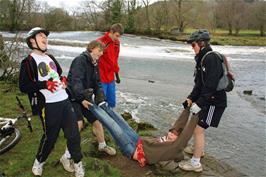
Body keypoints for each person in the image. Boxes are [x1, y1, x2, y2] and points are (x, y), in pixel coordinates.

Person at [19, 27, 84, 177]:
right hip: (48, 106)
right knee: (50, 138)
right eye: (41, 36)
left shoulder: (50, 58)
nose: (45, 38)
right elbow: (24, 86)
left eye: (45, 36)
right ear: (32, 41)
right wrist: (44, 85)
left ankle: (78, 163)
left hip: (65, 101)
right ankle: (39, 162)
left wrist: (62, 80)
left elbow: (59, 74)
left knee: (73, 134)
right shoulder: (28, 62)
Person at [82, 90, 199, 167]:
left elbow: (187, 133)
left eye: (174, 136)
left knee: (113, 126)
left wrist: (195, 115)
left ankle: (91, 105)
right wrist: (187, 108)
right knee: (121, 121)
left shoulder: (176, 146)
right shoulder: (173, 138)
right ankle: (103, 105)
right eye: (171, 133)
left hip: (132, 150)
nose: (170, 134)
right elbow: (179, 124)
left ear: (179, 141)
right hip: (138, 140)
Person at [178, 29, 227, 172]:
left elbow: (211, 85)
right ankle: (199, 150)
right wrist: (190, 98)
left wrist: (199, 103)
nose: (192, 48)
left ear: (202, 43)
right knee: (198, 129)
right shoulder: (202, 59)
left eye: (193, 45)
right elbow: (199, 84)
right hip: (207, 100)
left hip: (215, 103)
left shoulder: (211, 58)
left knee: (199, 130)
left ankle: (195, 163)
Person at [66, 40, 116, 156]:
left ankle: (102, 146)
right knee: (78, 124)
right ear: (92, 48)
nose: (101, 54)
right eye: (100, 51)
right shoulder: (80, 60)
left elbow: (97, 82)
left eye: (102, 51)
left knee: (97, 120)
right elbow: (75, 82)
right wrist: (81, 99)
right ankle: (67, 155)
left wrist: (100, 96)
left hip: (85, 97)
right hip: (73, 97)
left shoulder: (94, 63)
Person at [97, 23, 124, 108]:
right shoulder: (100, 42)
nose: (117, 38)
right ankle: (98, 120)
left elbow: (115, 59)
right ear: (111, 32)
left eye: (119, 36)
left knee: (112, 102)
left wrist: (117, 76)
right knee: (101, 102)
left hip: (111, 77)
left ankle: (110, 119)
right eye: (116, 35)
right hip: (101, 77)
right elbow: (92, 58)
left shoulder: (117, 43)